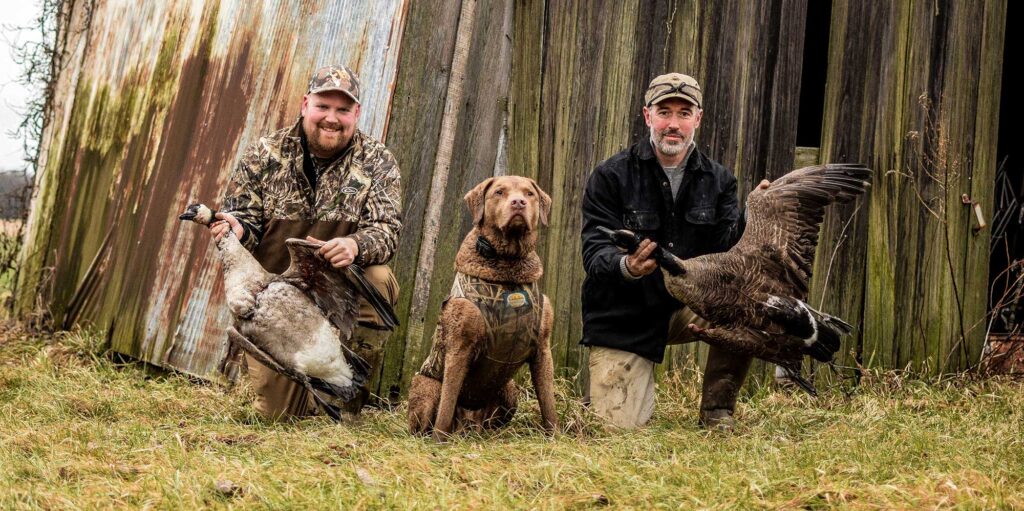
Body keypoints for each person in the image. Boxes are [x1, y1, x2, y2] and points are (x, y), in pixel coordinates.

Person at [211, 64, 401, 418]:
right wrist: (237, 231)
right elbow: (245, 223)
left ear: (356, 113)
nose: (332, 118)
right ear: (305, 105)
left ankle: (345, 397)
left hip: (337, 293)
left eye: (343, 109)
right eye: (323, 107)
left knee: (378, 278)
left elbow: (387, 230)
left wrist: (355, 245)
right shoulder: (264, 155)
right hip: (278, 305)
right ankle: (302, 397)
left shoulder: (377, 161)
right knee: (278, 416)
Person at [580, 72, 768, 430]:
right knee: (617, 430)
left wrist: (754, 214)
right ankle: (604, 391)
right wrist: (626, 266)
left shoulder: (719, 180)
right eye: (664, 111)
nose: (673, 124)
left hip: (688, 304)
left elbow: (728, 253)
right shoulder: (610, 176)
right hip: (624, 315)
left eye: (684, 113)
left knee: (747, 303)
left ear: (697, 119)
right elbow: (593, 253)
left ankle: (717, 411)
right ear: (647, 115)